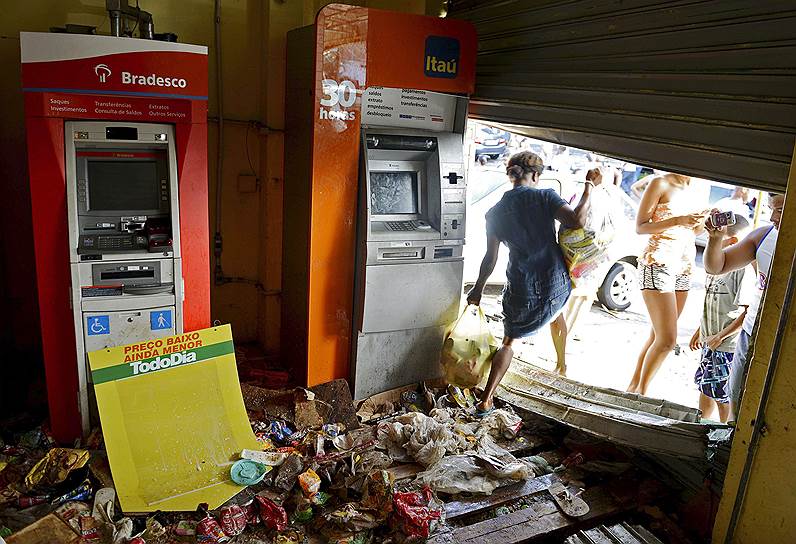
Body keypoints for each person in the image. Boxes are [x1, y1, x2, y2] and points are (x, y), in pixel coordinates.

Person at [466, 151, 602, 414]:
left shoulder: (493, 213)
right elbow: (576, 220)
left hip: (521, 286)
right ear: (536, 175)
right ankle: (562, 364)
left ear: (511, 175)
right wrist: (589, 187)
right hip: (555, 280)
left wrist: (478, 288)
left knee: (509, 342)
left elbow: (490, 258)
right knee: (557, 310)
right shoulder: (544, 196)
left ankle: (486, 399)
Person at [703, 192, 785, 420]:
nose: (772, 216)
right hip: (751, 332)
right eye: (771, 208)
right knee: (737, 397)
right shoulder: (763, 235)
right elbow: (716, 266)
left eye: (779, 209)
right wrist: (715, 239)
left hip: (785, 340)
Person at [627, 173, 706, 395]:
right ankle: (640, 394)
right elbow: (641, 227)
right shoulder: (660, 182)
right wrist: (678, 220)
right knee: (667, 341)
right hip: (658, 261)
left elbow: (696, 230)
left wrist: (701, 222)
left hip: (685, 265)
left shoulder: (699, 187)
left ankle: (633, 389)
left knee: (657, 336)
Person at [688, 216, 752, 422]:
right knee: (705, 386)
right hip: (710, 340)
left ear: (732, 242)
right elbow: (710, 303)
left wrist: (720, 336)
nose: (710, 242)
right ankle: (701, 426)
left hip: (726, 346)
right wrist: (701, 331)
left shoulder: (742, 271)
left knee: (722, 395)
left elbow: (747, 313)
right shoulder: (713, 266)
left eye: (717, 238)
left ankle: (722, 434)